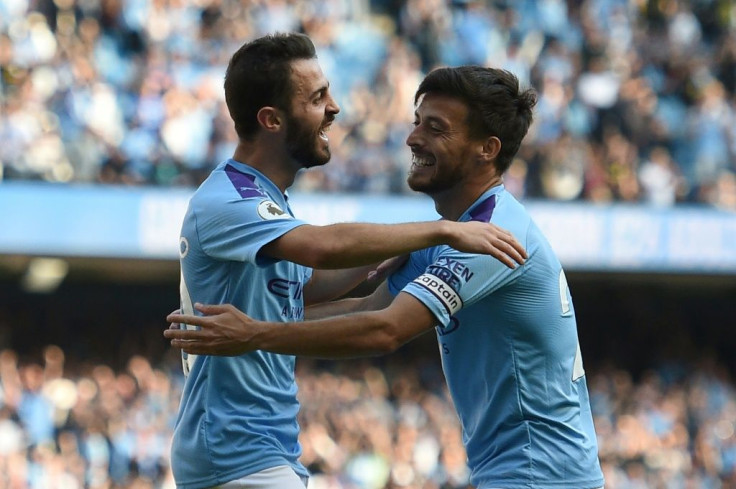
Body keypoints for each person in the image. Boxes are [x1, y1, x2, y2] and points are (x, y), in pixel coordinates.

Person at [166, 65, 605, 489]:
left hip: (540, 474)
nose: (413, 138)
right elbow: (370, 305)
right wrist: (240, 325)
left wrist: (256, 333)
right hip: (521, 472)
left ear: (486, 149)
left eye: (435, 128)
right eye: (417, 123)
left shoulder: (491, 235)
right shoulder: (458, 232)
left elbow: (385, 330)